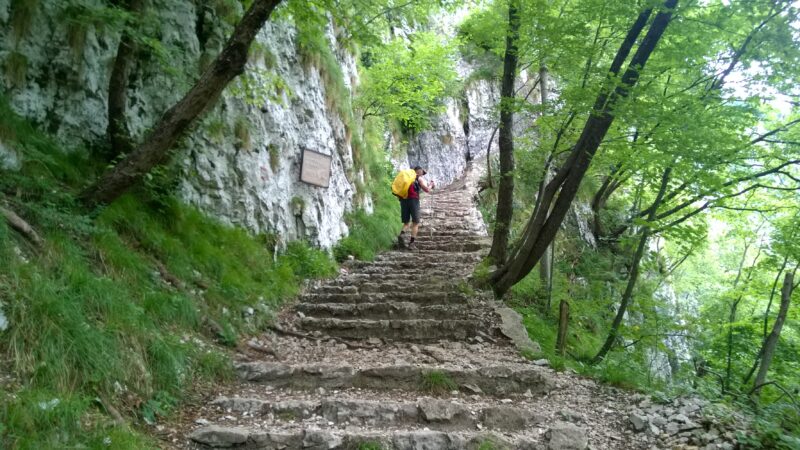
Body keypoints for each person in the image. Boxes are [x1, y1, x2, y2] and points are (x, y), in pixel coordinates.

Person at [398, 166, 434, 249]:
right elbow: (427, 190)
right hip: (414, 200)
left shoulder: (406, 177)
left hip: (404, 200)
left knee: (406, 223)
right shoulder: (418, 178)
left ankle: (402, 235)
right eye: (422, 172)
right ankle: (411, 243)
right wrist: (431, 185)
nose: (422, 175)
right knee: (416, 222)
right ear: (419, 171)